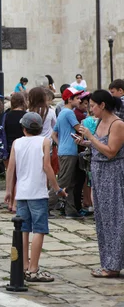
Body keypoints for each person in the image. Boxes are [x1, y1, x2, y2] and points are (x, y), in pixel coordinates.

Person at [5, 112, 67, 282]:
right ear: (40, 128)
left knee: (24, 229)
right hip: (38, 192)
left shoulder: (17, 143)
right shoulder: (44, 141)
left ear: (23, 128)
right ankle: (34, 269)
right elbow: (47, 167)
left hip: (22, 192)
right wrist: (57, 188)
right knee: (39, 230)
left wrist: (9, 191)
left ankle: (24, 266)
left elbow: (11, 168)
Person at [76, 90, 124, 278]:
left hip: (112, 175)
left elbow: (111, 151)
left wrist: (91, 137)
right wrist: (86, 142)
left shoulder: (117, 124)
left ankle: (113, 265)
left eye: (94, 105)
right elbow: (100, 145)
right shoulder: (99, 123)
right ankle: (108, 262)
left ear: (103, 105)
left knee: (115, 218)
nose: (91, 109)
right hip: (98, 173)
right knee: (103, 220)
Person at [52, 87, 84, 218]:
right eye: (77, 98)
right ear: (69, 100)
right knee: (63, 182)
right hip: (69, 152)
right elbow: (79, 129)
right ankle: (45, 206)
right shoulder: (70, 113)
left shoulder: (62, 113)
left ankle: (71, 210)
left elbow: (54, 134)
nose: (79, 100)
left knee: (70, 183)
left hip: (64, 151)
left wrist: (61, 144)